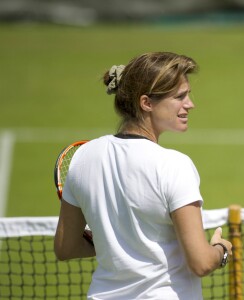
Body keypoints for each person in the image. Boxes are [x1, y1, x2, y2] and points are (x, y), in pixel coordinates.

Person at [54, 52, 232, 300]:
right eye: (180, 96)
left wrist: (116, 242)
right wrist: (221, 250)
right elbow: (201, 263)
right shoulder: (174, 165)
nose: (190, 104)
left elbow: (66, 247)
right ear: (146, 103)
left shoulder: (82, 157)